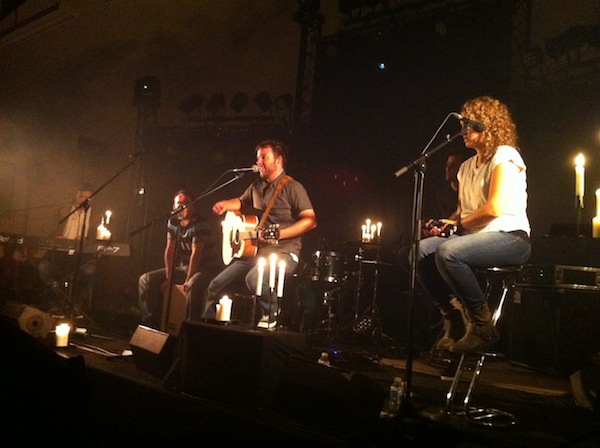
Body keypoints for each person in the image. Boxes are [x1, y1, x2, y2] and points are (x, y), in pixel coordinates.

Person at [416, 96, 531, 354]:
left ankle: (482, 325)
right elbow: (462, 211)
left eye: (470, 125)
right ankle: (453, 316)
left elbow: (493, 209)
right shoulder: (466, 167)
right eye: (462, 126)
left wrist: (454, 228)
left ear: (488, 125)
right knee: (418, 252)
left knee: (448, 252)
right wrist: (445, 224)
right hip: (472, 237)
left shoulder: (505, 155)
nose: (464, 131)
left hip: (510, 237)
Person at [207, 139, 317, 329]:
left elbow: (310, 220)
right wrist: (225, 204)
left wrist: (279, 234)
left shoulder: (293, 187)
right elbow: (241, 202)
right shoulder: (257, 186)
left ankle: (273, 314)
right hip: (257, 251)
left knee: (254, 278)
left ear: (278, 160)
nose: (259, 162)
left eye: (264, 157)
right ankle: (206, 327)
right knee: (215, 285)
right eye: (258, 158)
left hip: (283, 253)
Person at [138, 189, 220, 328]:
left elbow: (196, 254)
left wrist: (188, 279)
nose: (182, 206)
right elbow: (170, 250)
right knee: (145, 280)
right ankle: (151, 325)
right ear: (173, 206)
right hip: (184, 267)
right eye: (179, 203)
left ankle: (190, 327)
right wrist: (169, 278)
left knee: (192, 285)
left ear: (193, 206)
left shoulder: (200, 224)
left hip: (206, 268)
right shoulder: (173, 222)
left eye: (186, 203)